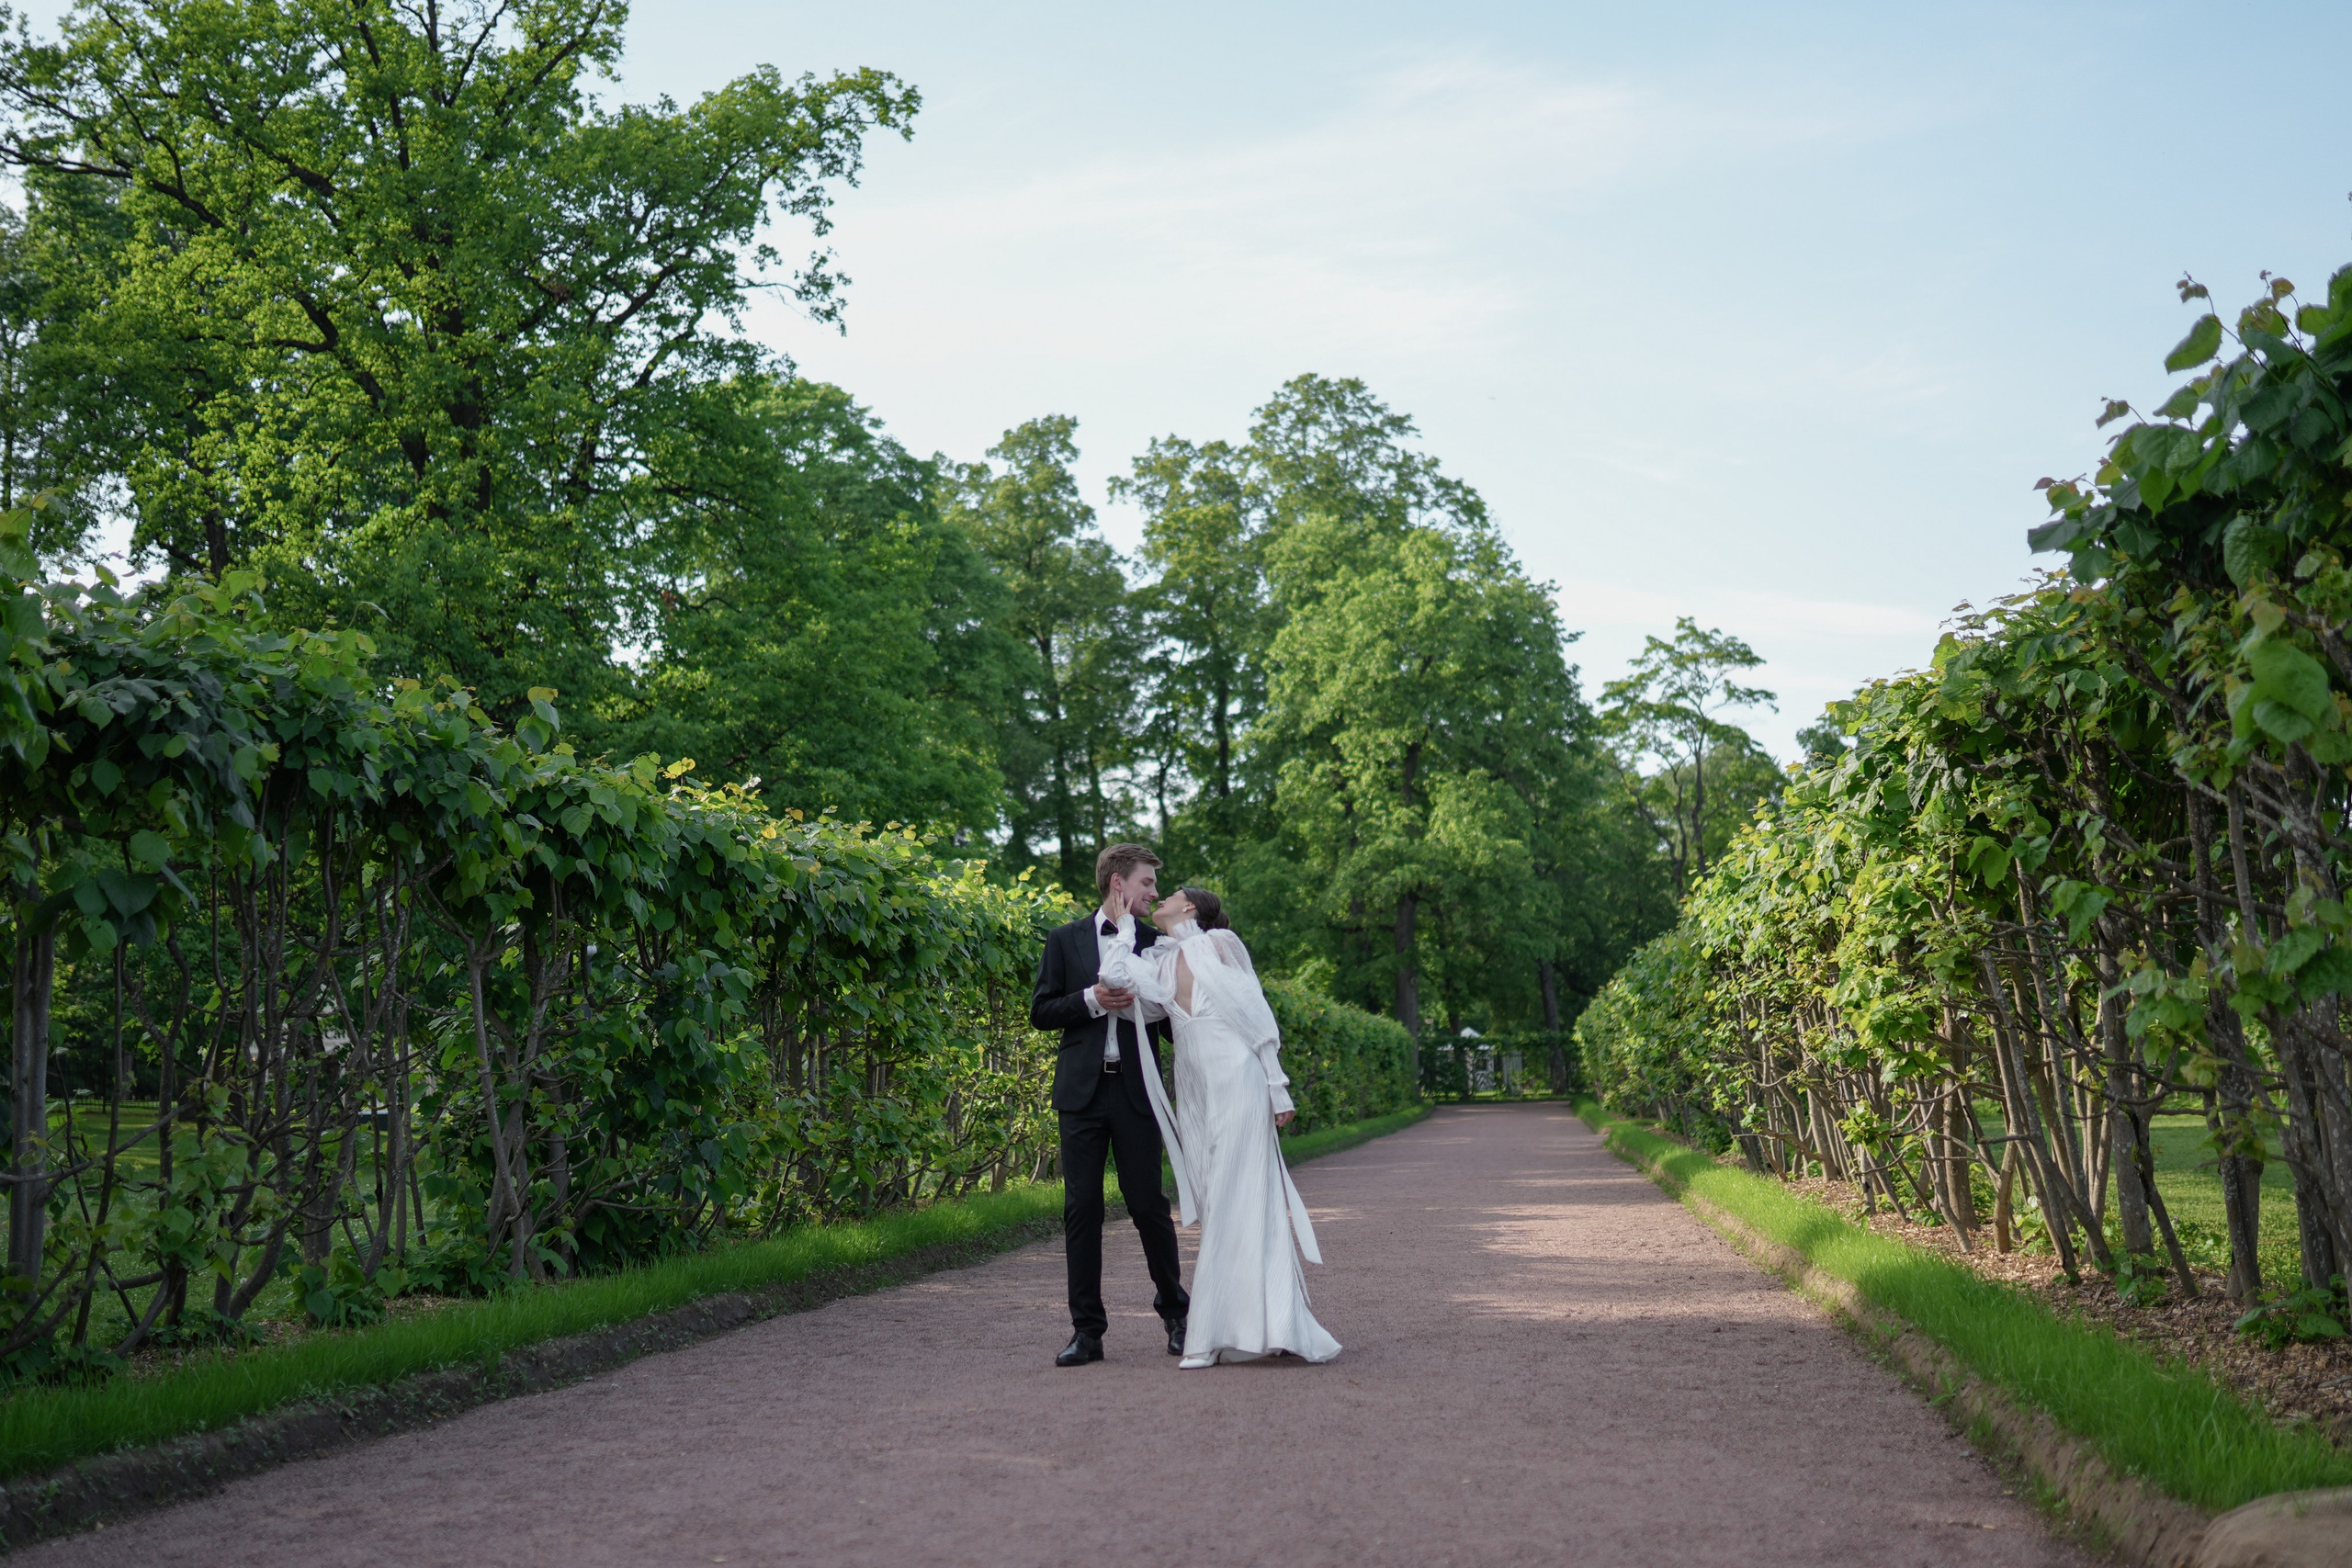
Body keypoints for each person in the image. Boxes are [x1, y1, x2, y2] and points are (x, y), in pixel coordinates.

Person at [1098, 886, 1340, 1368]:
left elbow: (1254, 1011)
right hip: (1195, 1090)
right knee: (1215, 1200)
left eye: (1171, 894)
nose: (1160, 898)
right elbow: (1115, 980)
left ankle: (1207, 1335)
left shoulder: (1219, 943)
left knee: (1239, 1195)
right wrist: (1123, 930)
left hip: (1239, 1078)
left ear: (1189, 907)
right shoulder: (1159, 960)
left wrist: (1277, 1084)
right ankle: (1263, 1324)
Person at [1028, 843, 1189, 1367]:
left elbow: (1177, 1026)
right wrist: (1092, 1000)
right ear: (1118, 883)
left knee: (1148, 1205)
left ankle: (1177, 1316)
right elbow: (1041, 1011)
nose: (1154, 893)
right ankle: (1087, 1332)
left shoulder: (1159, 944)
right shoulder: (1065, 939)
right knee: (1081, 1210)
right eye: (1147, 882)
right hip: (1081, 1096)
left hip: (1137, 1093)